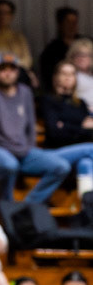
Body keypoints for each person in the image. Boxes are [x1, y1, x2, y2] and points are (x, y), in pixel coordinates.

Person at [0, 51, 70, 211]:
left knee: (61, 166)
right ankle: (7, 208)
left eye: (12, 69)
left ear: (17, 72)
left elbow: (30, 126)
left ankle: (26, 207)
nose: (7, 73)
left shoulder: (25, 92)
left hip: (23, 150)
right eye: (3, 69)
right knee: (9, 165)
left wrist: (30, 147)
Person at [40, 60, 93, 201]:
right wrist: (82, 127)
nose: (68, 77)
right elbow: (55, 133)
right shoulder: (48, 100)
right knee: (91, 149)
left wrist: (66, 126)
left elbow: (90, 133)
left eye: (72, 74)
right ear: (56, 77)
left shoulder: (81, 104)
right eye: (64, 73)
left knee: (86, 163)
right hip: (56, 151)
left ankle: (87, 208)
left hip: (80, 152)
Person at [39, 7, 81, 93]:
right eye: (68, 22)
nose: (72, 26)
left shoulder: (86, 43)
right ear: (60, 24)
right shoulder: (51, 50)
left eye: (74, 22)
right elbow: (48, 77)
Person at [70, 38, 93, 114]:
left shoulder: (91, 75)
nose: (81, 58)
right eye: (78, 54)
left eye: (85, 55)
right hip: (82, 113)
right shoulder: (69, 75)